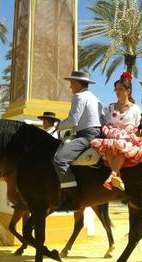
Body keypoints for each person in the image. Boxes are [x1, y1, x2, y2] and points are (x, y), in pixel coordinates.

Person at [52, 71, 103, 211]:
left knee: (59, 159)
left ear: (78, 83)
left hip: (86, 136)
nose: (70, 87)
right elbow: (102, 118)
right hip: (97, 134)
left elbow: (73, 120)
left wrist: (57, 125)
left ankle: (72, 198)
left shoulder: (79, 97)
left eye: (71, 83)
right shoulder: (95, 98)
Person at [90, 72, 142, 191]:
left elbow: (138, 127)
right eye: (116, 89)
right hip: (112, 136)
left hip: (128, 140)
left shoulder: (135, 108)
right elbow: (105, 122)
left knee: (120, 144)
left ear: (128, 91)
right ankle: (116, 175)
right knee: (110, 144)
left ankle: (113, 174)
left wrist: (126, 134)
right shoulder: (110, 107)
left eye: (120, 89)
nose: (117, 92)